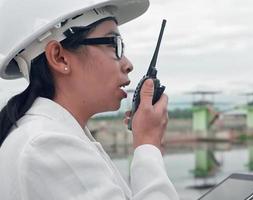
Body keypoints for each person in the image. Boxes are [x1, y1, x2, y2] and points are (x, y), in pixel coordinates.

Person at [0, 0, 179, 199]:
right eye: (114, 45)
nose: (128, 65)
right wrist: (148, 143)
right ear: (59, 57)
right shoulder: (48, 145)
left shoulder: (49, 135)